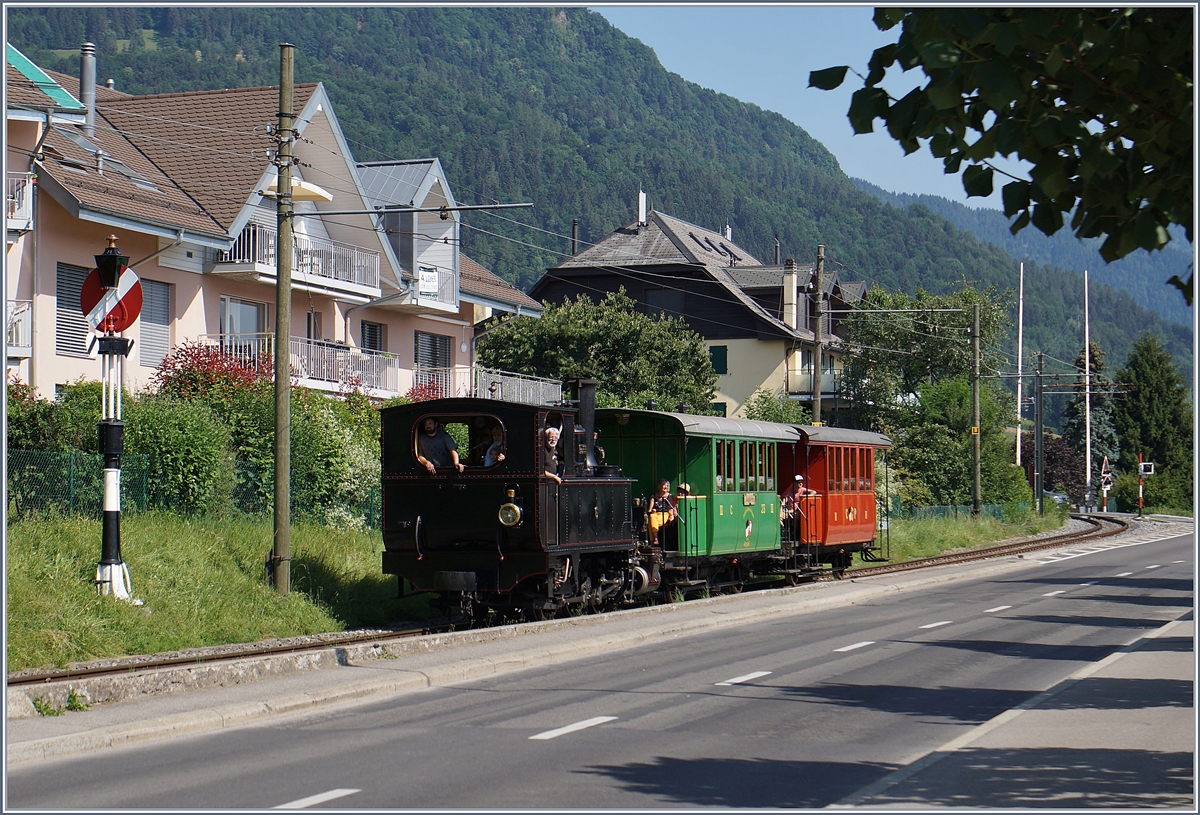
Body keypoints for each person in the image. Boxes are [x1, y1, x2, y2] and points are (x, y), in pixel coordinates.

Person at [647, 478, 678, 545]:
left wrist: (671, 516)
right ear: (659, 486)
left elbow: (671, 508)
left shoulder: (669, 496)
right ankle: (655, 539)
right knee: (652, 516)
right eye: (664, 485)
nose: (666, 487)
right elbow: (649, 510)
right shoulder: (654, 496)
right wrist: (652, 510)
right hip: (655, 514)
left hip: (665, 514)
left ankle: (654, 539)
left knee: (651, 521)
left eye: (667, 485)